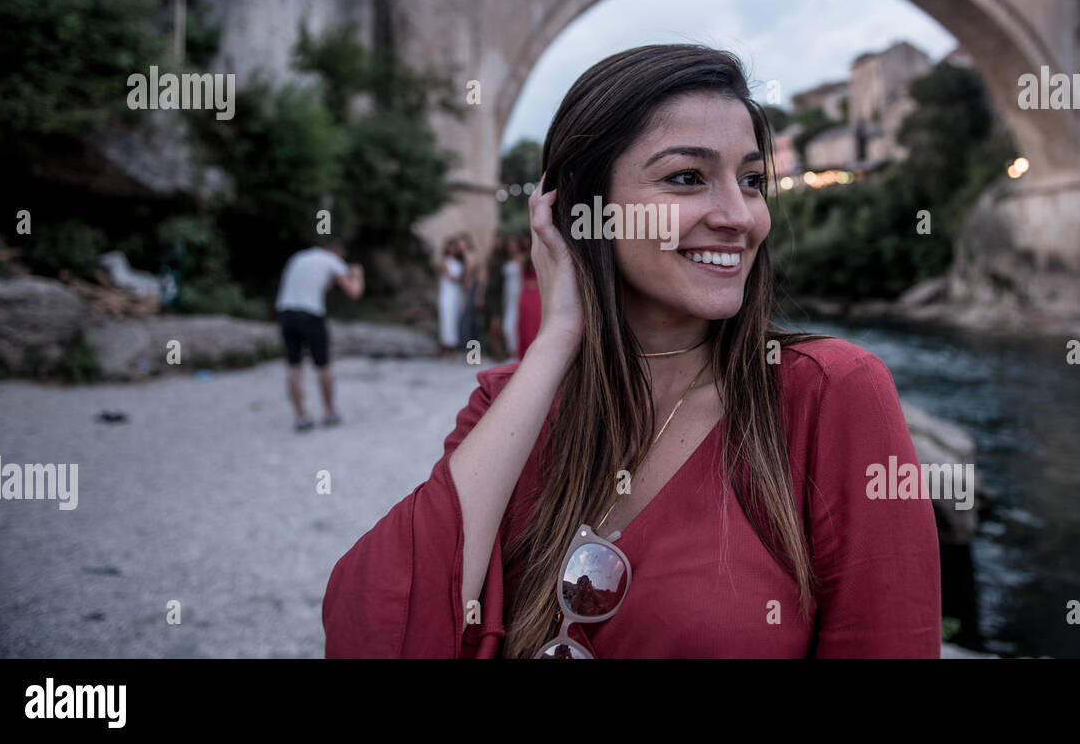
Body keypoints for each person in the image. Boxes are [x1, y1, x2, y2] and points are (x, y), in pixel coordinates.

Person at [322, 44, 940, 657]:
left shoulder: (831, 393)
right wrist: (557, 340)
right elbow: (374, 633)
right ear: (580, 211)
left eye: (751, 181)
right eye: (686, 178)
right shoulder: (512, 402)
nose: (739, 216)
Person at [275, 238, 363, 431]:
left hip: (286, 313)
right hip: (310, 315)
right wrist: (357, 274)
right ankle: (330, 411)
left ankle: (301, 416)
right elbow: (354, 292)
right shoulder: (331, 260)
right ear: (337, 252)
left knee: (294, 365)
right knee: (323, 365)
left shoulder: (298, 257)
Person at [437, 237, 465, 357]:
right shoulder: (445, 261)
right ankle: (447, 346)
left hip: (457, 294)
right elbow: (451, 277)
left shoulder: (460, 261)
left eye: (454, 246)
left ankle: (453, 345)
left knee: (455, 318)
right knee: (447, 319)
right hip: (447, 294)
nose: (452, 248)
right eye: (450, 246)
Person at [501, 234, 525, 361]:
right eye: (509, 245)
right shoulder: (506, 260)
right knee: (507, 325)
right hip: (508, 294)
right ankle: (511, 352)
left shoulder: (522, 259)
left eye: (513, 244)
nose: (511, 247)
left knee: (515, 324)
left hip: (519, 292)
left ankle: (516, 354)